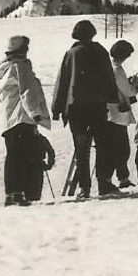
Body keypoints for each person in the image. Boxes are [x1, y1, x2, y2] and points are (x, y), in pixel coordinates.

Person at [50, 18, 121, 199]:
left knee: (81, 148)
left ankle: (84, 187)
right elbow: (108, 78)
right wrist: (113, 98)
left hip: (76, 108)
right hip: (97, 105)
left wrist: (57, 108)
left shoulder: (71, 54)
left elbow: (62, 82)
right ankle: (104, 181)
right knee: (103, 144)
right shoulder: (100, 52)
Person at [0, 34, 52, 206]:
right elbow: (27, 91)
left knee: (13, 156)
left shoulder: (3, 70)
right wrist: (35, 113)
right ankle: (19, 193)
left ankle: (12, 193)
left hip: (9, 119)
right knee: (21, 156)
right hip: (22, 117)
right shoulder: (21, 67)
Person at [105, 39, 138, 188]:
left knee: (115, 147)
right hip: (117, 112)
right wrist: (135, 85)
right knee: (121, 148)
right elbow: (127, 91)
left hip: (111, 112)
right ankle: (121, 178)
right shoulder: (117, 70)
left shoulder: (110, 67)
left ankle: (115, 178)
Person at [23, 125, 56, 203]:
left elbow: (50, 151)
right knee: (34, 189)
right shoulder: (41, 139)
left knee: (33, 190)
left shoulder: (27, 139)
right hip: (34, 165)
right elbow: (50, 151)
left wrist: (50, 164)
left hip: (34, 165)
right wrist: (50, 164)